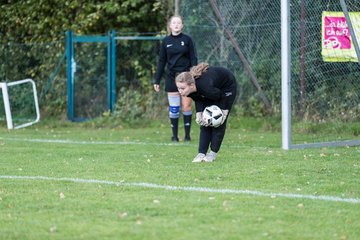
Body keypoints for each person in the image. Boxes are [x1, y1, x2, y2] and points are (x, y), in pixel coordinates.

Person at [175, 63, 237, 162]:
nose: (180, 91)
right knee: (205, 122)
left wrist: (224, 112)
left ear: (191, 85)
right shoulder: (191, 90)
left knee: (218, 123)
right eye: (178, 88)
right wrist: (199, 114)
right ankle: (201, 153)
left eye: (182, 88)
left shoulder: (206, 87)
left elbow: (221, 96)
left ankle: (213, 154)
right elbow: (198, 99)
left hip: (226, 88)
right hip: (214, 92)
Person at [153, 15, 198, 142]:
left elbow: (193, 58)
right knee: (174, 108)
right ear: (170, 26)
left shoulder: (187, 39)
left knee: (186, 106)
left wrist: (193, 75)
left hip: (185, 77)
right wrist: (157, 80)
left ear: (182, 25)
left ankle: (188, 136)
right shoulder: (166, 41)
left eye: (179, 23)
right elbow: (162, 61)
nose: (176, 25)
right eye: (174, 23)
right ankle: (174, 136)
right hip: (171, 77)